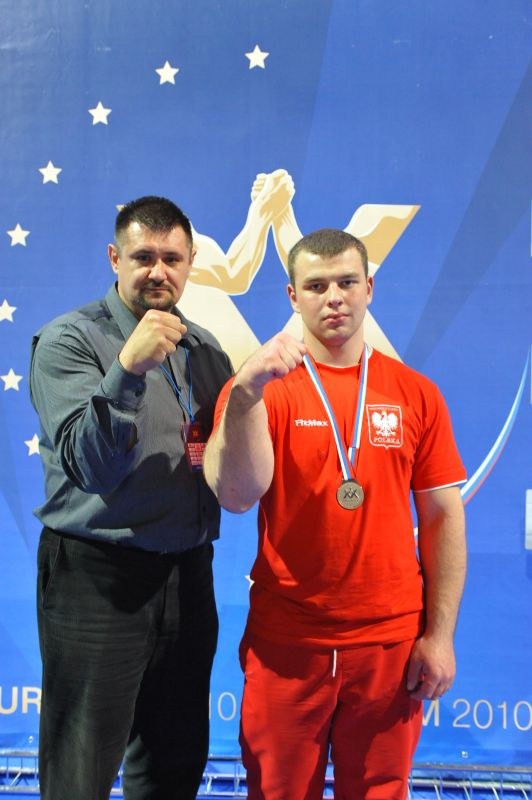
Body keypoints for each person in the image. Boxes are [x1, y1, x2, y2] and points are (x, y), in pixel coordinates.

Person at [203, 228, 467, 800]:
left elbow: (444, 518)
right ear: (293, 297)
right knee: (276, 792)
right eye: (317, 285)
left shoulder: (415, 393)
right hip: (288, 643)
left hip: (388, 644)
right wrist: (246, 396)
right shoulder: (261, 390)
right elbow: (236, 495)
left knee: (379, 791)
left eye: (347, 282)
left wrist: (440, 635)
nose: (334, 297)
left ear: (369, 288)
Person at [29, 196, 233, 800]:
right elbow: (92, 467)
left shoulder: (206, 349)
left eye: (172, 258)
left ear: (191, 262)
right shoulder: (71, 340)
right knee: (81, 769)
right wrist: (127, 369)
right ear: (116, 259)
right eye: (143, 256)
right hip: (97, 575)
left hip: (188, 575)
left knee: (175, 762)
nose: (158, 271)